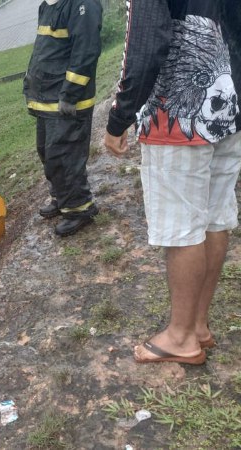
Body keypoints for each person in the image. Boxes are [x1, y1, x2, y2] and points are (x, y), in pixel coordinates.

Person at [104, 1, 240, 365]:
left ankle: (180, 337)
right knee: (213, 216)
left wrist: (119, 117)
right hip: (228, 101)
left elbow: (147, 44)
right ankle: (197, 324)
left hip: (178, 115)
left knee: (183, 227)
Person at [23, 0, 103, 236]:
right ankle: (62, 198)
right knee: (47, 152)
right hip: (47, 99)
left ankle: (80, 209)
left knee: (65, 155)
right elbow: (44, 50)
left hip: (67, 102)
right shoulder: (47, 5)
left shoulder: (83, 5)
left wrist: (70, 93)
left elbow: (86, 51)